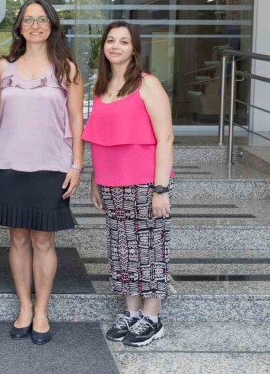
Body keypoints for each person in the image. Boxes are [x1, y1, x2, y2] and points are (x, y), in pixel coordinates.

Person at [0, 0, 84, 345]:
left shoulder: (67, 68)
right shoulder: (3, 66)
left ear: (52, 25)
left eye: (42, 19)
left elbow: (76, 121)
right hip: (10, 163)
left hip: (51, 164)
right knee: (18, 237)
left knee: (43, 239)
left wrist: (76, 164)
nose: (35, 25)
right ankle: (24, 308)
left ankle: (41, 311)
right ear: (20, 27)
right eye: (28, 20)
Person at [82, 21, 174, 347]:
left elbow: (165, 137)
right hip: (111, 183)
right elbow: (101, 139)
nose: (116, 46)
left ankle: (153, 317)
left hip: (146, 183)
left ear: (134, 48)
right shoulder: (101, 87)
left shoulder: (147, 84)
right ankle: (132, 313)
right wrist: (95, 180)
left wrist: (161, 189)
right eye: (111, 40)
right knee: (122, 250)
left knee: (150, 249)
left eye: (123, 41)